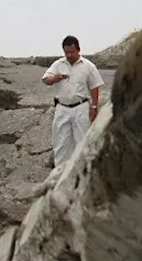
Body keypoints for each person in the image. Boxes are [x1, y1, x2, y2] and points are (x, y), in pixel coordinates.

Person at [41, 35, 105, 168]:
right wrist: (55, 78)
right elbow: (45, 79)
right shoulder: (58, 64)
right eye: (66, 52)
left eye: (72, 52)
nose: (69, 55)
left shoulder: (88, 66)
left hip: (80, 107)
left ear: (78, 49)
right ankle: (60, 175)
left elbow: (94, 87)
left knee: (82, 142)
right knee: (61, 143)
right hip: (62, 108)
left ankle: (82, 173)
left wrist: (94, 106)